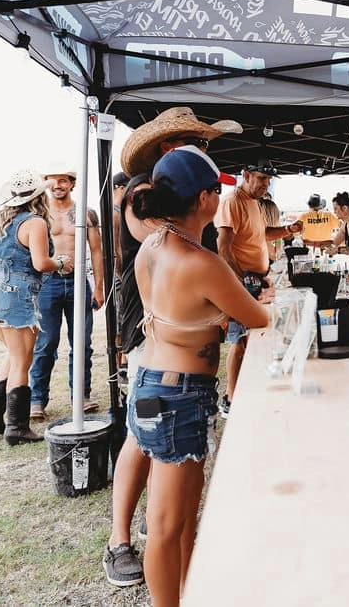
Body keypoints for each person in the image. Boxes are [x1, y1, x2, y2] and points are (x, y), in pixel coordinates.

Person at [104, 107, 243, 588]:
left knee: (173, 497)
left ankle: (178, 572)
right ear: (169, 147)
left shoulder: (161, 206)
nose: (205, 149)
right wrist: (217, 299)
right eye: (198, 143)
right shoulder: (148, 198)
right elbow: (178, 261)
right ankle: (121, 539)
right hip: (160, 345)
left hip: (170, 349)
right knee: (152, 474)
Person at [129, 147, 270, 606]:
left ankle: (189, 594)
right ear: (206, 199)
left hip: (153, 383)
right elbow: (258, 317)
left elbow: (186, 312)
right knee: (167, 526)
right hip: (178, 396)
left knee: (183, 517)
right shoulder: (200, 261)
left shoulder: (153, 246)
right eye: (216, 190)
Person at [0, 170, 70, 445]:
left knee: (12, 354)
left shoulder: (1, 219)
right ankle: (17, 428)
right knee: (22, 360)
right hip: (16, 294)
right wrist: (62, 262)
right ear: (39, 196)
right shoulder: (35, 222)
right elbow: (42, 263)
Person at [215, 158, 302, 415]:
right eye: (262, 178)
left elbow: (262, 234)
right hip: (243, 281)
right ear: (246, 175)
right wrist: (241, 280)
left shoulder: (254, 203)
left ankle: (245, 391)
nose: (266, 184)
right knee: (240, 341)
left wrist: (289, 229)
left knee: (254, 339)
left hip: (256, 280)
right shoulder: (232, 201)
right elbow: (223, 246)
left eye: (269, 179)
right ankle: (231, 398)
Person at [27, 169, 105, 418]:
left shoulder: (85, 213)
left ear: (72, 183)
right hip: (47, 282)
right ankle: (37, 400)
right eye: (53, 181)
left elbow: (97, 250)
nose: (57, 185)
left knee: (82, 343)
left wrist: (99, 286)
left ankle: (81, 396)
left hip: (78, 281)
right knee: (45, 343)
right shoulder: (39, 214)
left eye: (63, 180)